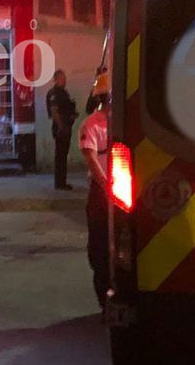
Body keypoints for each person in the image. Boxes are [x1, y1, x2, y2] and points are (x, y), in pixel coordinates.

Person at [78, 79, 111, 309]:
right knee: (100, 249)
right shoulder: (91, 125)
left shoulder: (119, 123)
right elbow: (91, 158)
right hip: (102, 194)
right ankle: (104, 304)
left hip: (118, 192)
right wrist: (107, 187)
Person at [46, 70, 78, 190]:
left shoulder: (62, 92)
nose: (65, 81)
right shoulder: (55, 93)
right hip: (61, 127)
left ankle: (62, 182)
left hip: (65, 125)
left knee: (63, 155)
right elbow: (54, 112)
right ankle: (60, 183)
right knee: (60, 156)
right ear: (57, 79)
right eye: (63, 78)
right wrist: (61, 127)